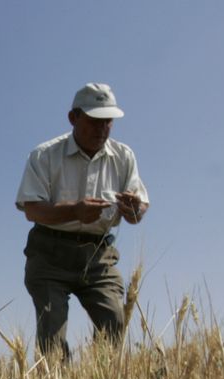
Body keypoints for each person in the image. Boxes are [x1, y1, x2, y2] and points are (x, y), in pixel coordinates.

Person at [15, 83, 149, 357]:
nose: (102, 128)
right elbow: (32, 210)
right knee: (52, 341)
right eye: (95, 120)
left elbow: (138, 212)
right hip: (49, 255)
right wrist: (74, 211)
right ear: (73, 118)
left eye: (108, 121)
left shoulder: (124, 157)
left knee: (115, 326)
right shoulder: (44, 155)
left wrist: (134, 209)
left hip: (99, 256)